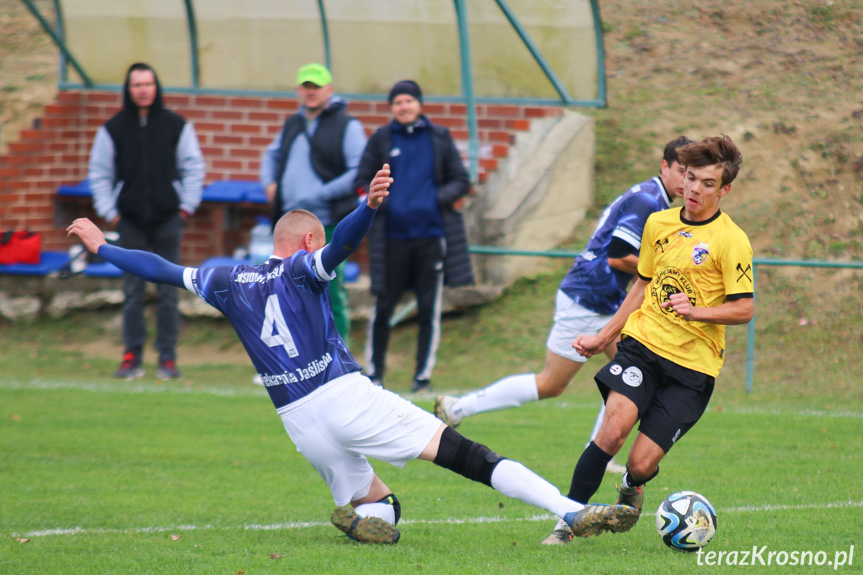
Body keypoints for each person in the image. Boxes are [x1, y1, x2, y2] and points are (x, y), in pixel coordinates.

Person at [66, 165, 638, 545]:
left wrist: (102, 245)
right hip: (343, 396)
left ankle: (366, 523)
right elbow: (341, 245)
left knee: (380, 503)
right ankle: (569, 509)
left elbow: (161, 270)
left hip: (296, 420)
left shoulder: (224, 276)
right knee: (467, 455)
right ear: (306, 242)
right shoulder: (302, 267)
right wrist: (367, 208)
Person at [435, 136, 693, 491]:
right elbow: (618, 254)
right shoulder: (647, 200)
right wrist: (667, 272)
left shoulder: (655, 200)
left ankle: (598, 453)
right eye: (682, 171)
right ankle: (458, 408)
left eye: (692, 173)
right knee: (551, 384)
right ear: (664, 167)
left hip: (610, 303)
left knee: (631, 379)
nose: (687, 181)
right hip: (589, 298)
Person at [542, 135, 754, 546]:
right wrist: (604, 335)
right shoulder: (658, 224)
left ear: (724, 189)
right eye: (691, 178)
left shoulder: (732, 240)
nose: (694, 189)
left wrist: (699, 311)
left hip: (693, 368)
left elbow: (744, 308)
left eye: (707, 183)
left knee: (640, 463)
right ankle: (567, 522)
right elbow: (641, 285)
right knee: (611, 431)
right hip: (643, 346)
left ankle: (632, 486)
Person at [88, 62, 205, 381]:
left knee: (170, 290)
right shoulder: (112, 129)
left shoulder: (176, 126)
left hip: (169, 219)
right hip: (130, 222)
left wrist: (186, 206)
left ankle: (167, 357)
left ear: (157, 88)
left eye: (148, 84)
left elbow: (193, 168)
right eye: (136, 84)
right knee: (132, 290)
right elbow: (99, 175)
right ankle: (131, 357)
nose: (143, 90)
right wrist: (111, 212)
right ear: (128, 89)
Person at [354, 80, 473, 392]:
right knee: (383, 308)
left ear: (419, 104)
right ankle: (374, 373)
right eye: (397, 103)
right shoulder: (381, 139)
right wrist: (387, 202)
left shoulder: (439, 137)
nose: (403, 107)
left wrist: (433, 199)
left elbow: (461, 179)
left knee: (427, 310)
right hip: (391, 239)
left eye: (408, 101)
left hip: (431, 238)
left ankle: (422, 377)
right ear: (391, 108)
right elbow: (362, 180)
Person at [259, 63, 366, 344]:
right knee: (288, 292)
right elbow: (270, 155)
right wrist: (270, 182)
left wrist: (319, 193)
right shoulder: (293, 123)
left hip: (329, 224)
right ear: (298, 90)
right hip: (290, 225)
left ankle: (337, 359)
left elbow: (359, 169)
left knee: (330, 291)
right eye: (306, 86)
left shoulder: (347, 125)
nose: (311, 92)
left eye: (316, 86)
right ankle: (296, 359)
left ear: (329, 90)